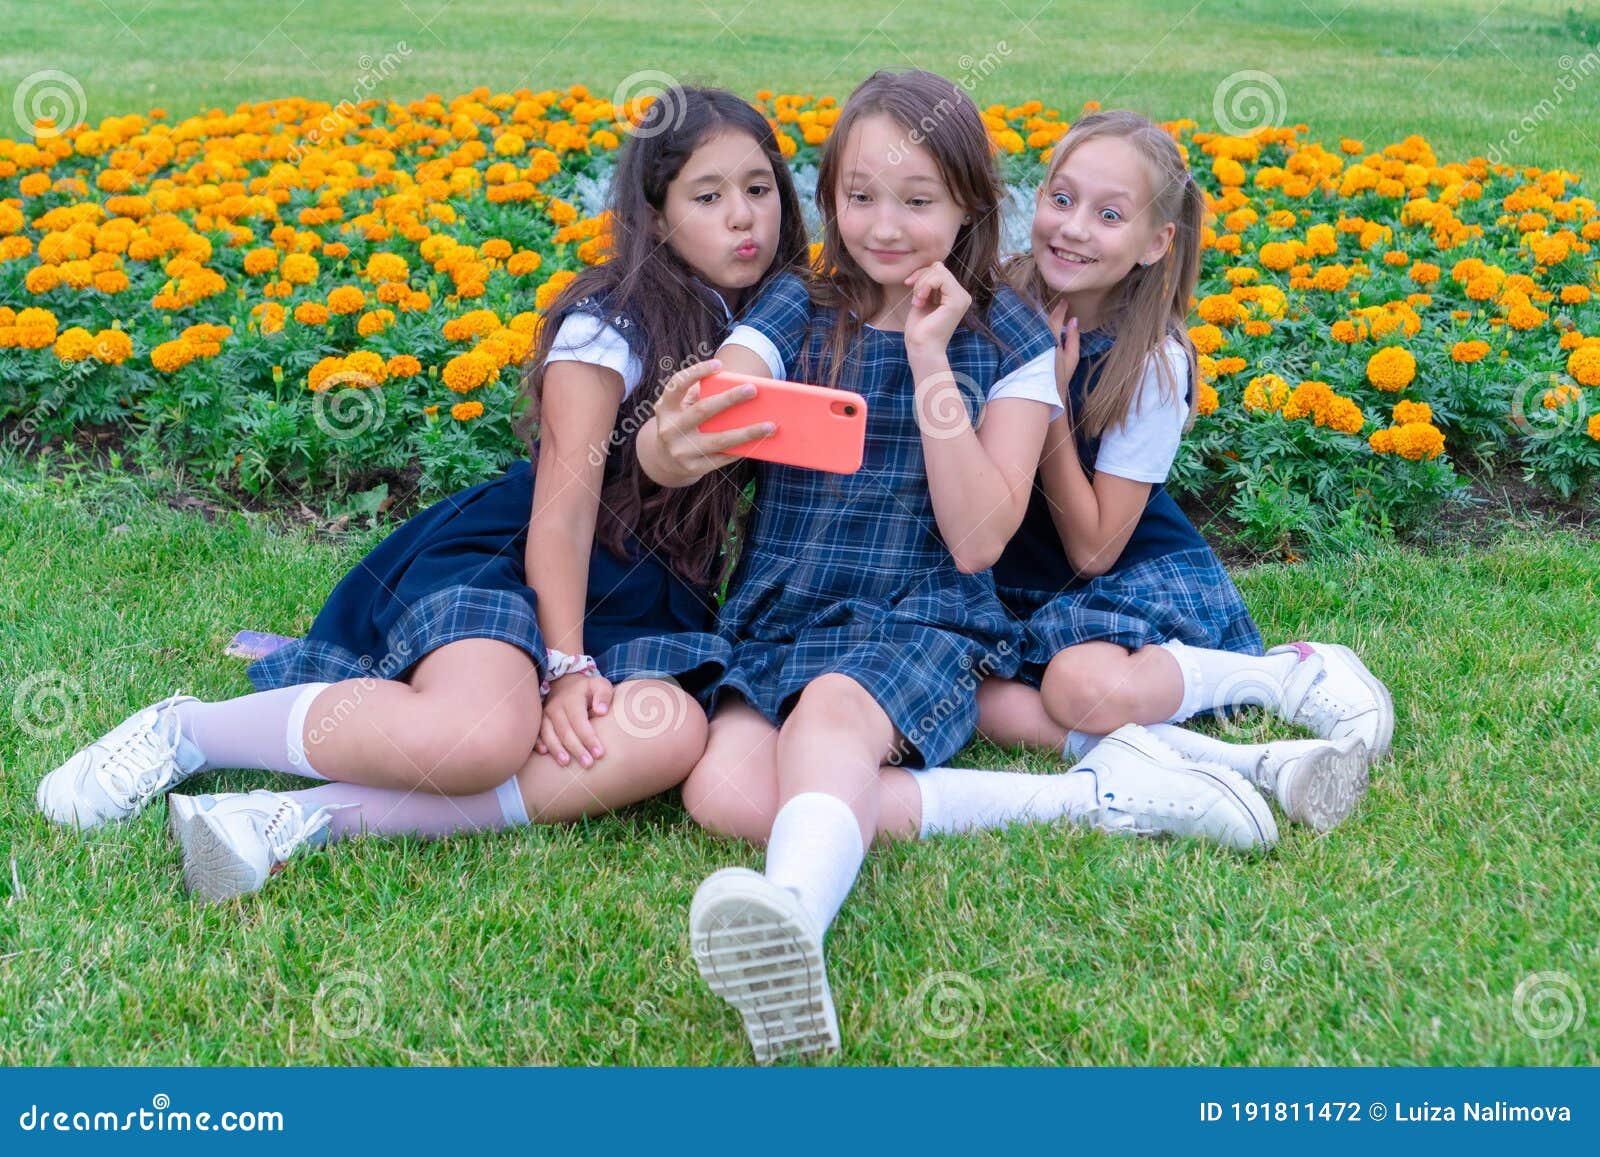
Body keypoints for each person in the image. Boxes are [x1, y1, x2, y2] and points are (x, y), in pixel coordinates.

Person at [638, 71, 1276, 1064]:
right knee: (721, 792)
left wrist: (932, 359)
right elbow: (746, 371)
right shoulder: (799, 301)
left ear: (971, 205)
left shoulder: (1007, 339)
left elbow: (980, 538)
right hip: (783, 612)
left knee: (831, 718)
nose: (883, 226)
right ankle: (1093, 794)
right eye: (858, 196)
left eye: (916, 200)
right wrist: (707, 403)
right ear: (832, 193)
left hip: (919, 613)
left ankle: (795, 922)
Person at [36, 85, 810, 902]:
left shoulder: (776, 325)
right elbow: (566, 506)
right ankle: (188, 730)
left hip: (651, 602)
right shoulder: (609, 324)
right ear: (655, 216)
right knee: (479, 735)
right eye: (708, 195)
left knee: (669, 736)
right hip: (520, 564)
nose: (743, 217)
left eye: (759, 189)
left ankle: (292, 818)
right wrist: (567, 662)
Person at [976, 109, 1392, 833]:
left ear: (1155, 241)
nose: (1073, 228)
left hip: (1126, 578)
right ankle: (1233, 763)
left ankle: (1281, 672)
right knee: (970, 697)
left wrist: (1044, 400)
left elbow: (1096, 549)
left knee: (1081, 686)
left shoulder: (1153, 361)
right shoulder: (995, 304)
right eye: (1061, 198)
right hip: (1014, 582)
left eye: (1110, 214)